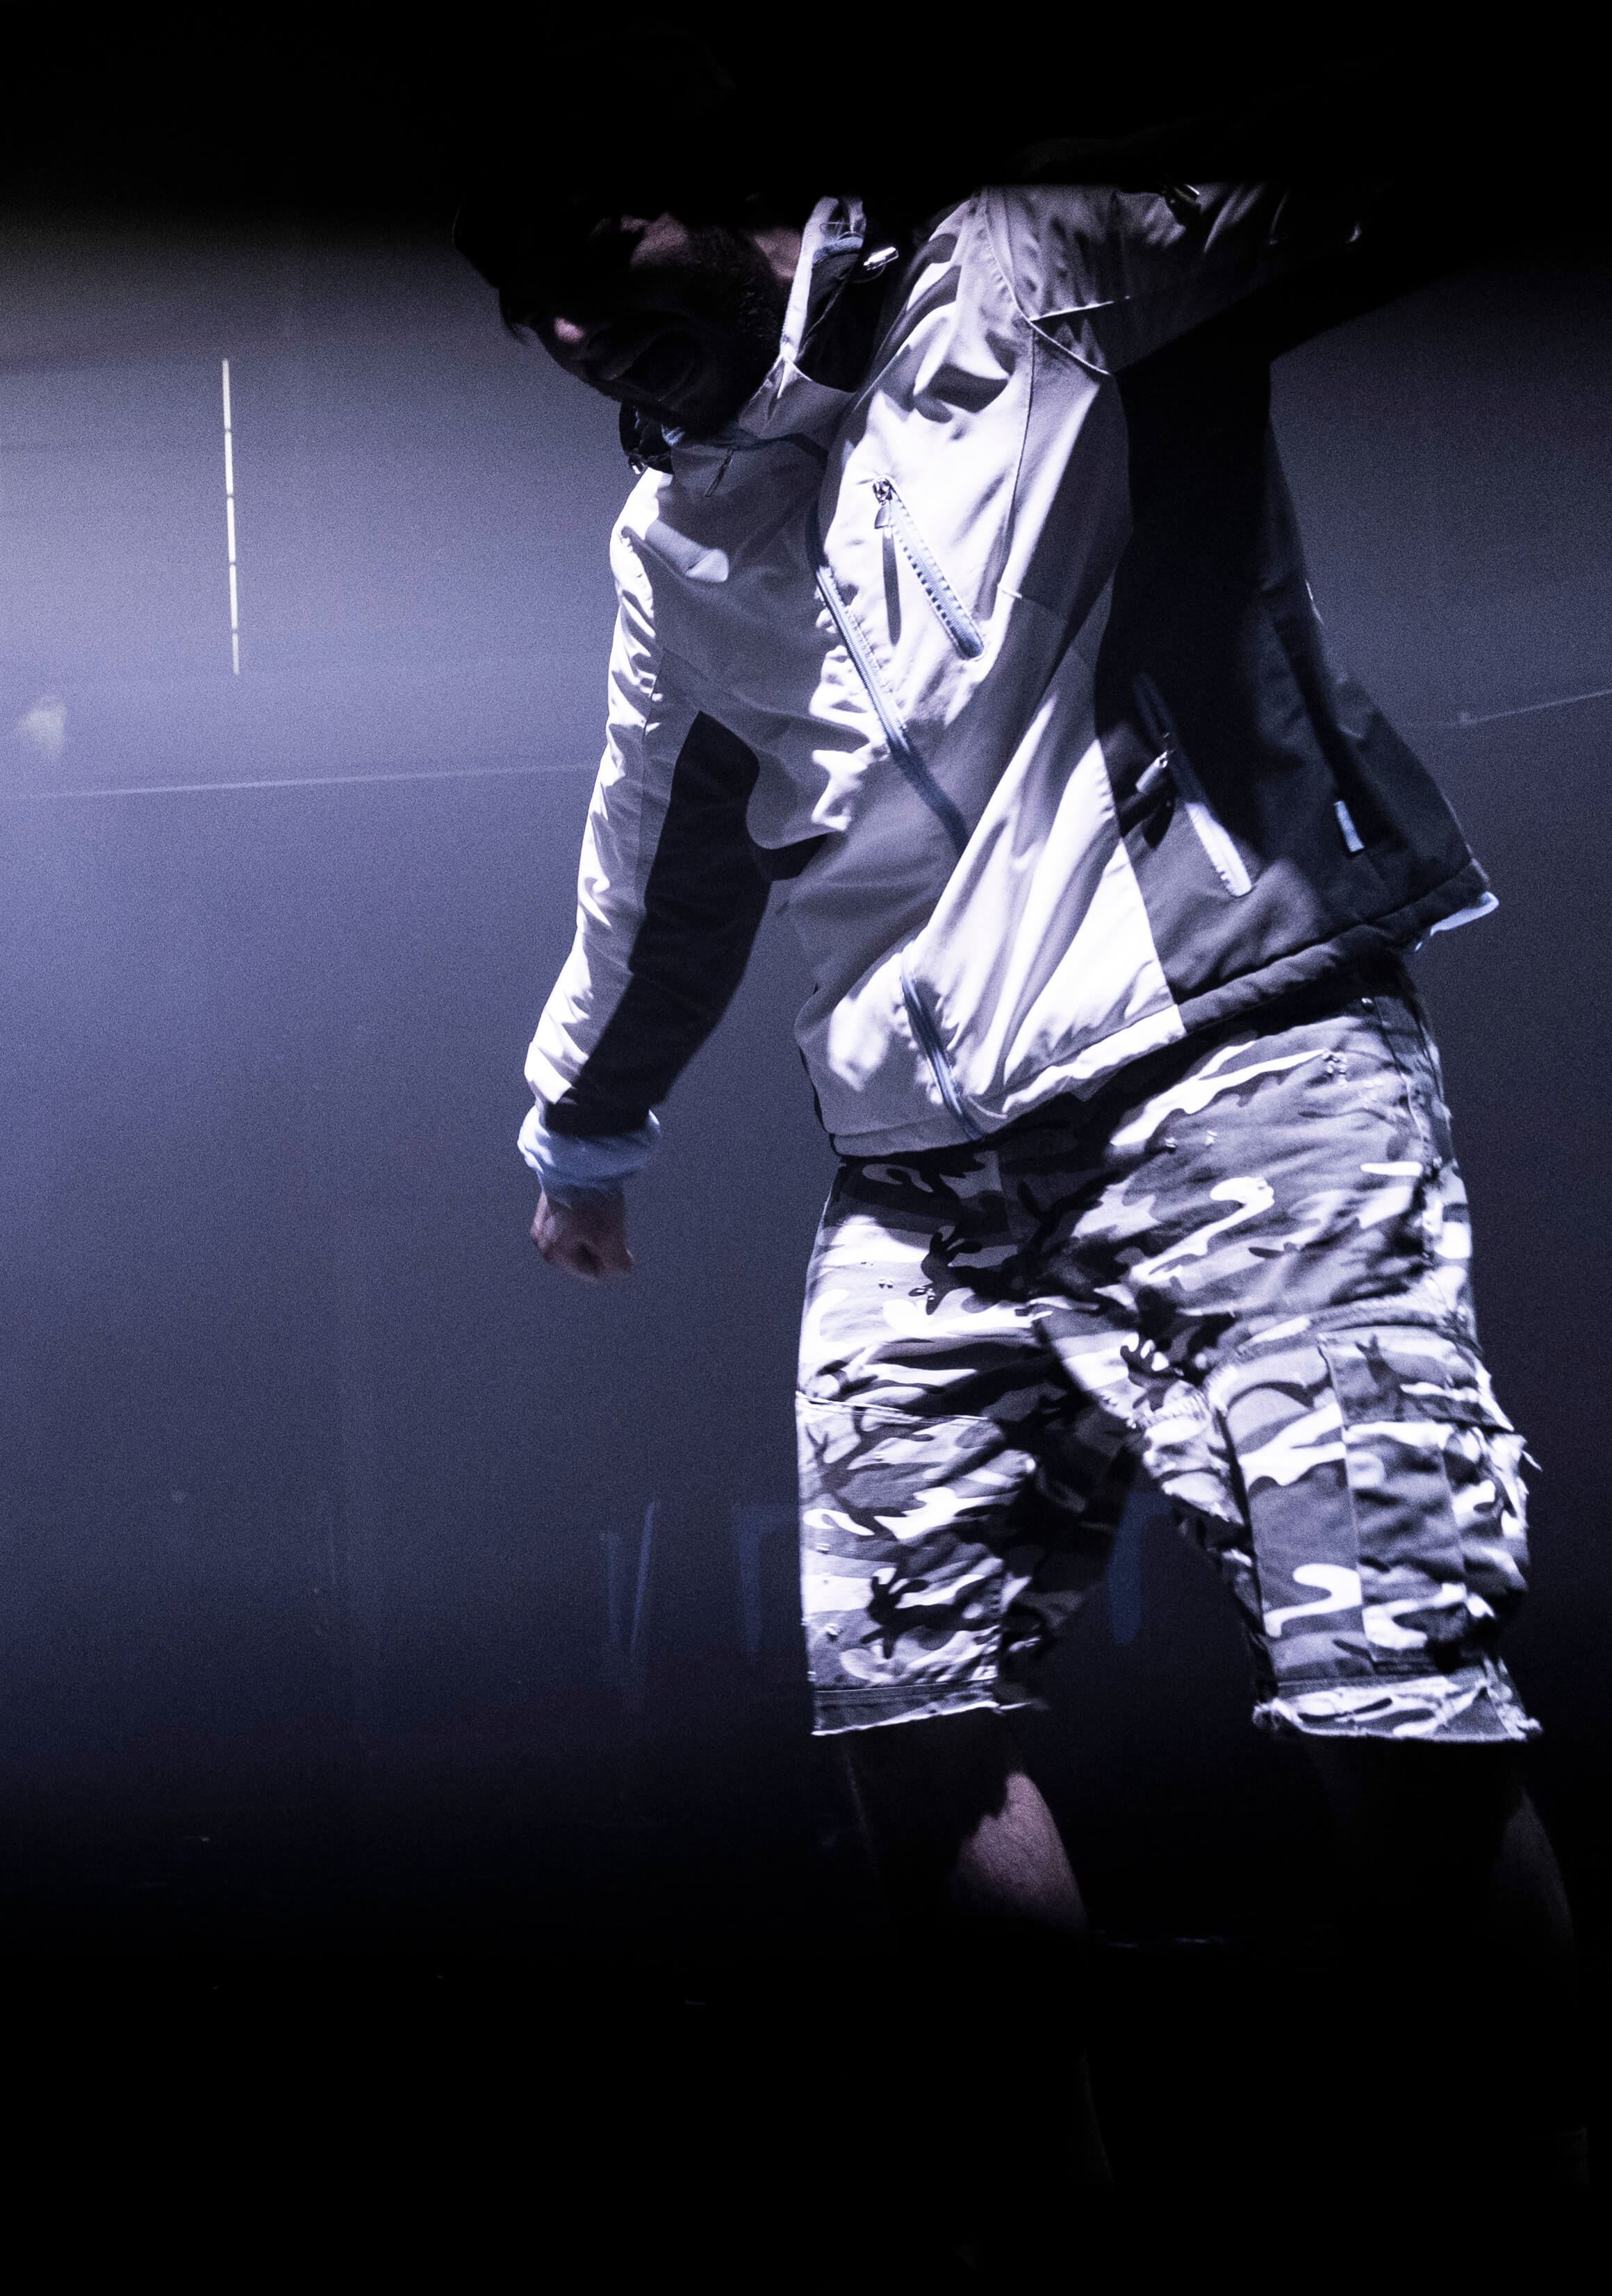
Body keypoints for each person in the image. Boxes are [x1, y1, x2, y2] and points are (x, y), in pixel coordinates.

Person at [460, 181, 1581, 2188]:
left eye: (594, 256)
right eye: (521, 305)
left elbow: (1329, 199)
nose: (567, 332)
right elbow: (660, 855)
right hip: (923, 1181)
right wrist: (584, 1126)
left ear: (720, 189)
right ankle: (1034, 2246)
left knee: (1400, 1694)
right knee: (904, 1710)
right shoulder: (675, 541)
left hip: (1244, 1064)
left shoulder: (1029, 273)